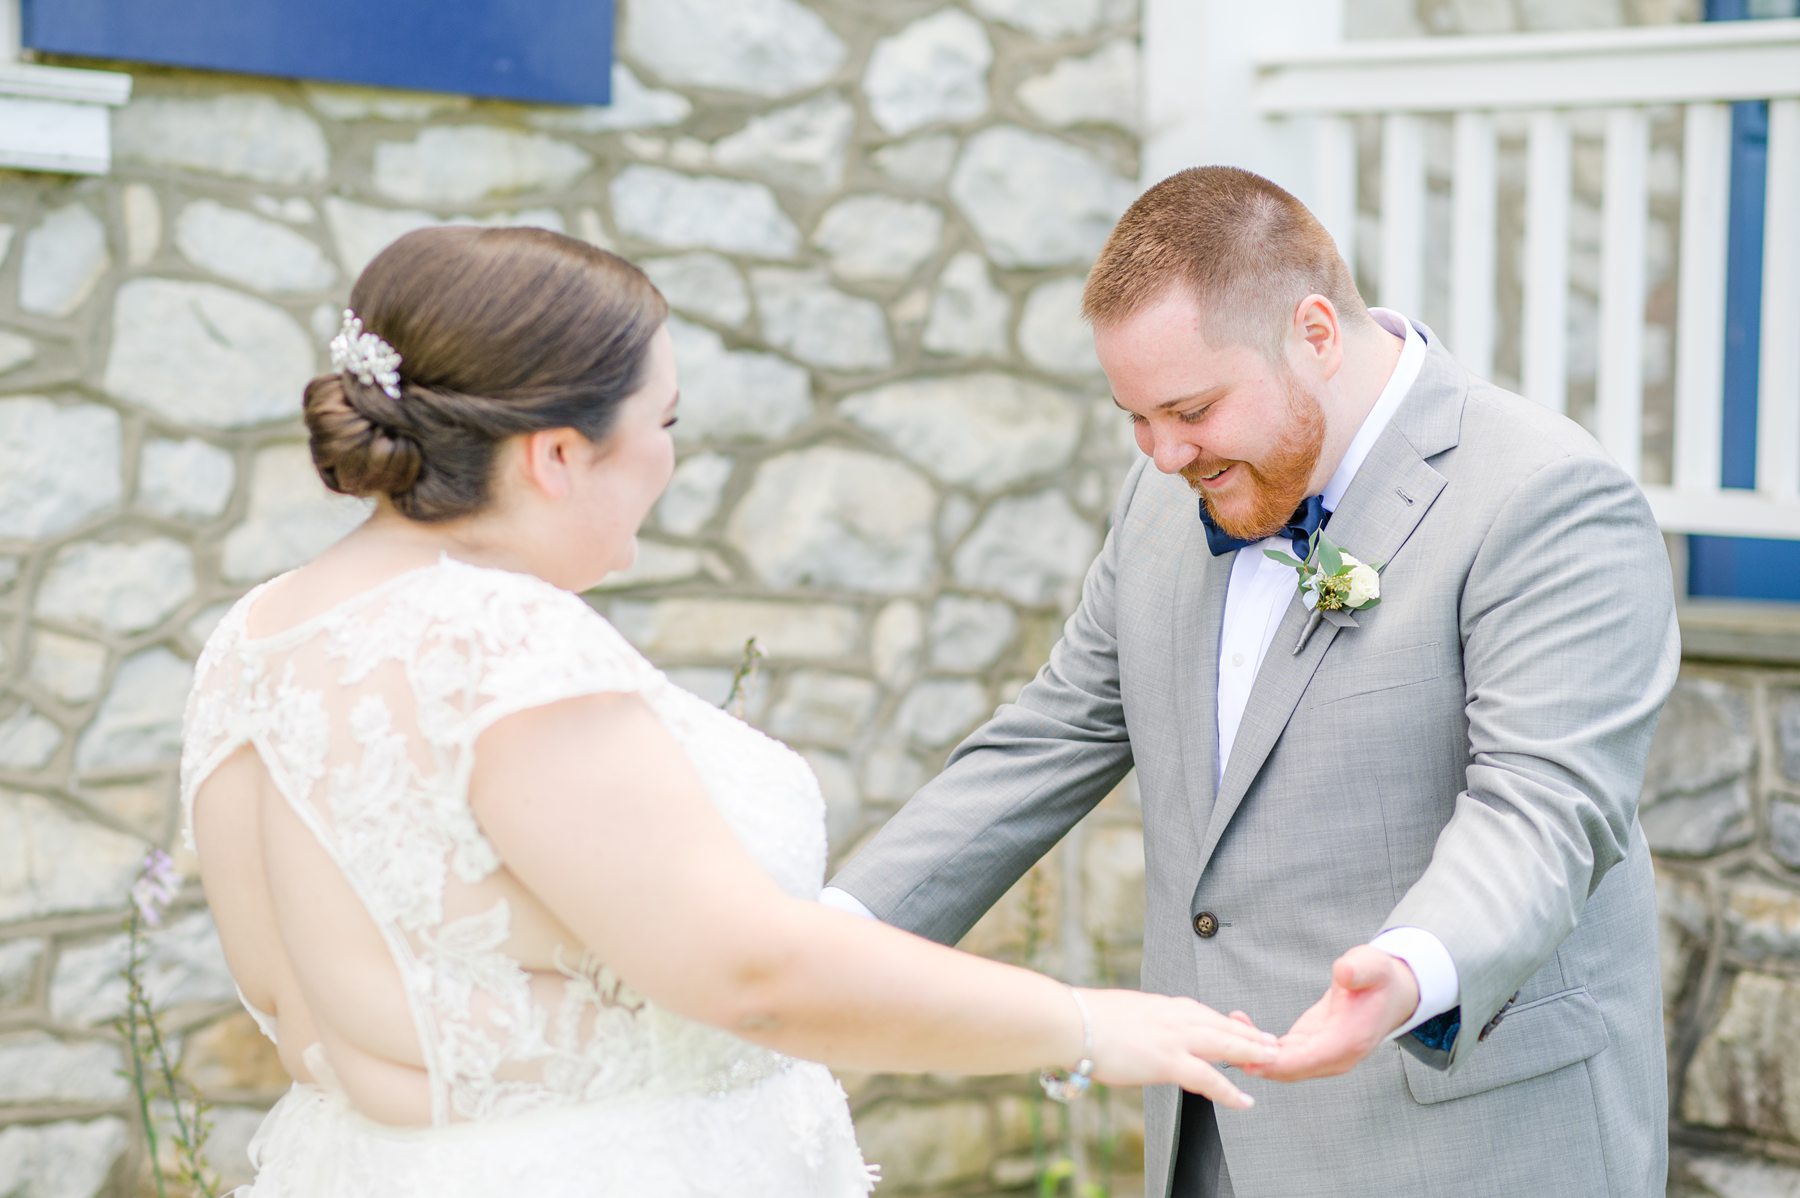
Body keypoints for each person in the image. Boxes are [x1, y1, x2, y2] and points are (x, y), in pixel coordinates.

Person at [178, 224, 1278, 1197]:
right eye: (662, 419)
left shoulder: (257, 638)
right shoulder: (504, 646)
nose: (670, 455)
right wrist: (1087, 1023)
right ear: (559, 454)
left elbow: (284, 993)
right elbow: (750, 974)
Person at [825, 166, 1678, 1196]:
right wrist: (826, 939)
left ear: (1315, 331)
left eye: (1190, 407)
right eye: (1135, 417)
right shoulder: (1163, 495)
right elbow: (1048, 736)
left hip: (1465, 1142)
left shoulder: (1543, 494)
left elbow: (1545, 808)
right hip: (1217, 1139)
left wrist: (1413, 960)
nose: (1164, 451)